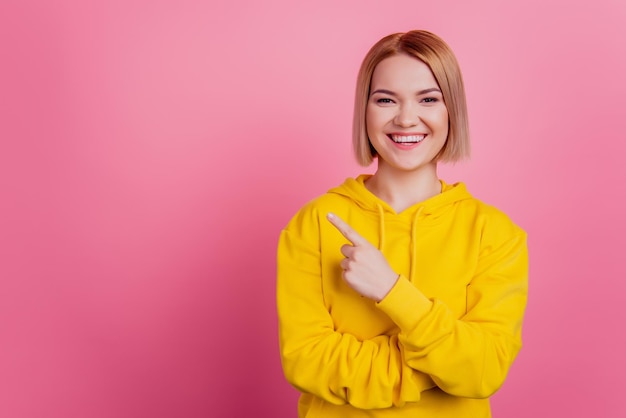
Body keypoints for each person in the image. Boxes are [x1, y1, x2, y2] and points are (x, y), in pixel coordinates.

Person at [276, 30, 528, 418]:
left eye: (428, 99)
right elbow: (306, 361)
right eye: (385, 100)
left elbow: (484, 370)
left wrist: (392, 291)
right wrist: (438, 366)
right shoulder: (314, 223)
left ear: (452, 111)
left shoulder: (495, 234)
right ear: (365, 110)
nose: (406, 118)